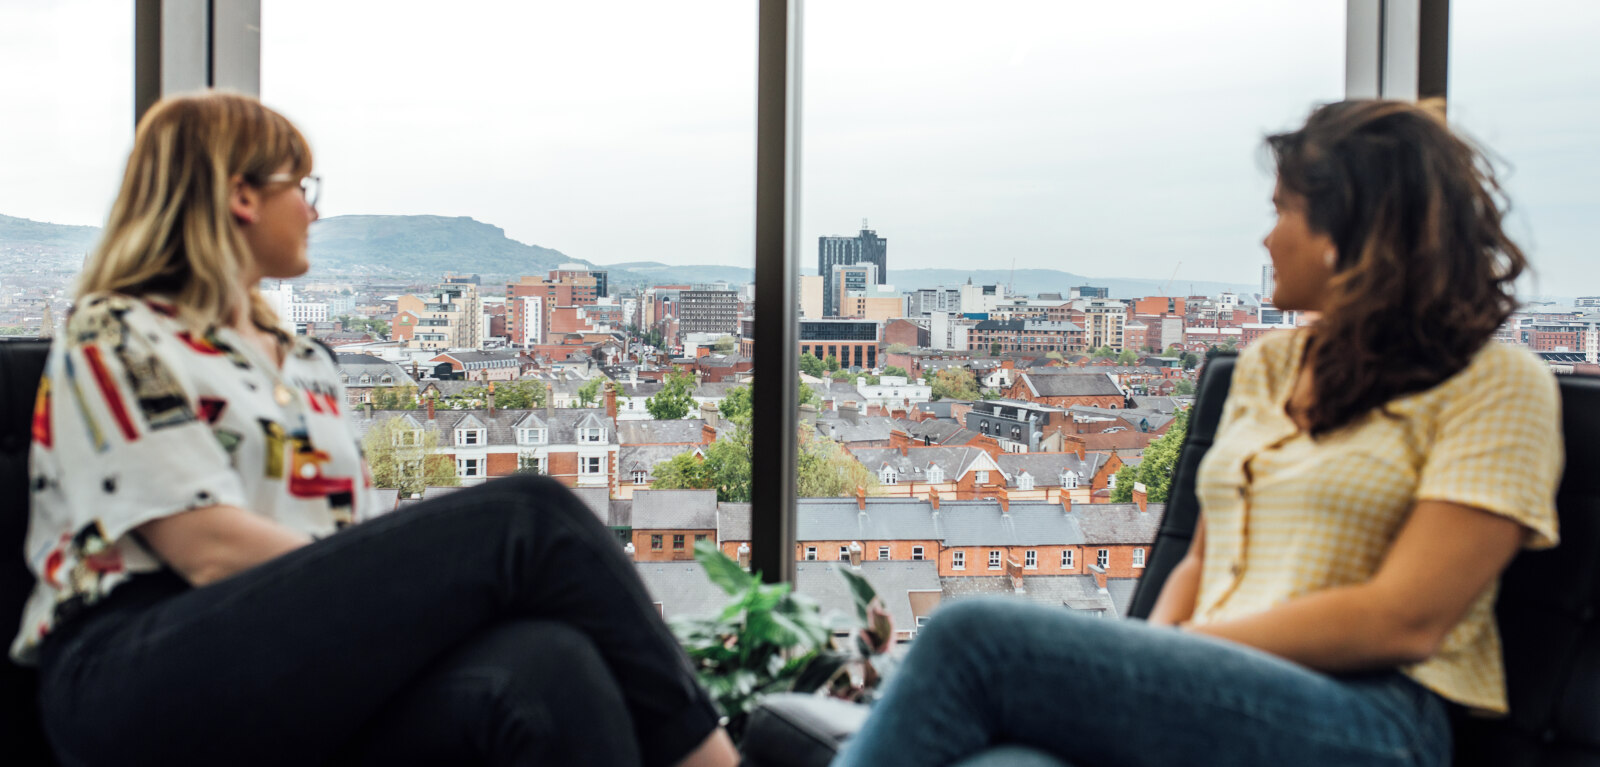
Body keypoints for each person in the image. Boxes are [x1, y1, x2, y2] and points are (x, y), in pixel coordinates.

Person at [15, 91, 739, 767]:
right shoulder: (117, 333)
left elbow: (347, 538)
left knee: (550, 668)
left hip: (299, 655)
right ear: (240, 194)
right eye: (301, 187)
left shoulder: (303, 363)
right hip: (138, 665)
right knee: (531, 515)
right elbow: (208, 549)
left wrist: (394, 603)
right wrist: (415, 594)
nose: (314, 212)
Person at [832, 99, 1563, 767]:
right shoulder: (1269, 364)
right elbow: (1204, 557)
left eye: (1284, 211)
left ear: (1350, 228)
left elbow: (1406, 619)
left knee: (970, 636)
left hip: (1371, 715)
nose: (1266, 238)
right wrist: (1156, 662)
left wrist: (1175, 654)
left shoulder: (1494, 385)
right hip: (1206, 687)